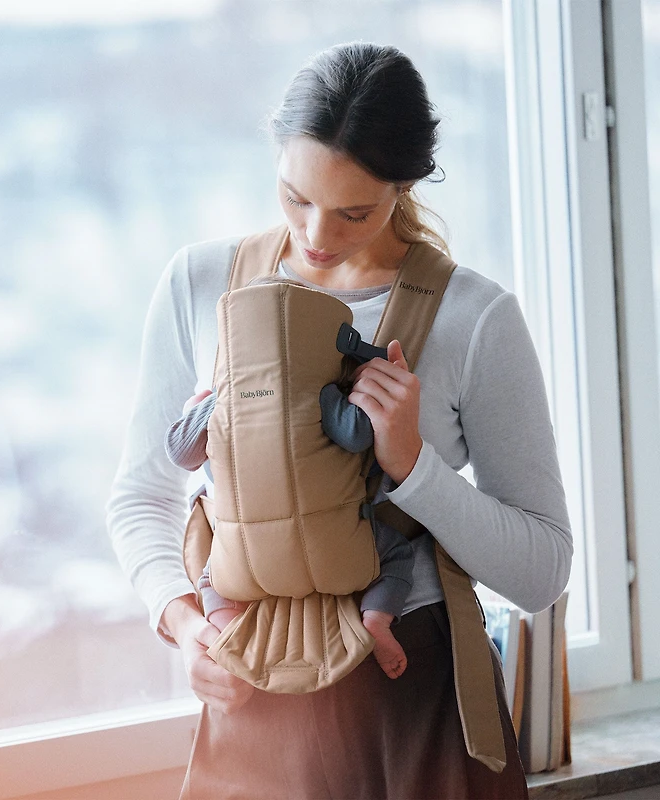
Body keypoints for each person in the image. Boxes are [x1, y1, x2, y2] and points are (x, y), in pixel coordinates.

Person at [106, 42, 572, 798]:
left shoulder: (475, 318)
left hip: (417, 704)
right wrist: (187, 626)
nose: (316, 236)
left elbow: (542, 572)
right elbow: (141, 496)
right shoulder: (198, 284)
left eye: (353, 211)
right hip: (253, 703)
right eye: (295, 197)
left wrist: (413, 466)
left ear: (406, 184)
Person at [163, 291, 415, 679]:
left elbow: (181, 453)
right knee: (396, 552)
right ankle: (376, 620)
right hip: (331, 543)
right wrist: (361, 393)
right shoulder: (322, 394)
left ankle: (227, 626)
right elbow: (358, 437)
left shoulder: (222, 400)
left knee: (211, 576)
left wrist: (197, 408)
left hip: (246, 556)